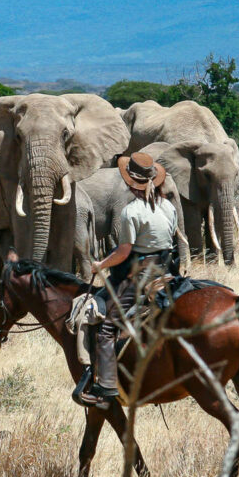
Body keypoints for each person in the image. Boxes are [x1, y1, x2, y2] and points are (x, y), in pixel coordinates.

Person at [72, 152, 178, 408]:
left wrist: (100, 265)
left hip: (140, 278)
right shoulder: (168, 206)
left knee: (107, 328)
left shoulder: (131, 211)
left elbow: (124, 252)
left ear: (130, 183)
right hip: (166, 273)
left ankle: (106, 386)